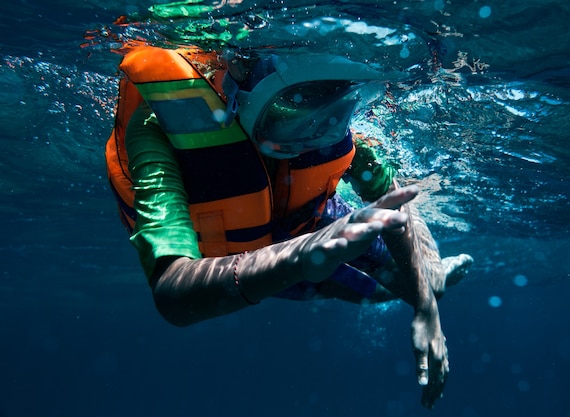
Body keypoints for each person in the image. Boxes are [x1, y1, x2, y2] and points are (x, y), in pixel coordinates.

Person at [105, 45, 473, 409]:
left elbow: (392, 195)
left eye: (336, 112)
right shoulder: (158, 128)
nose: (310, 139)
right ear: (238, 75)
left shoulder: (326, 119)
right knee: (374, 286)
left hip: (312, 224)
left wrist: (426, 307)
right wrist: (296, 258)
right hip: (250, 261)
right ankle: (398, 289)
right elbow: (171, 291)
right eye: (294, 112)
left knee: (414, 279)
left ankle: (424, 282)